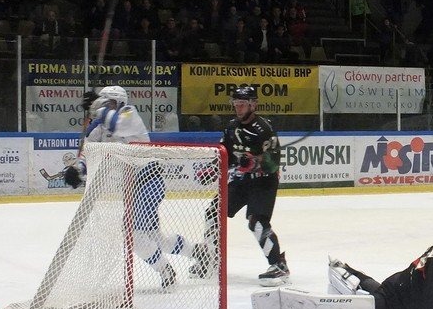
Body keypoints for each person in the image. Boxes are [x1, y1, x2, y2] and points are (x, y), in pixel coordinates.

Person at [63, 85, 198, 288]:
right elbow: (89, 152)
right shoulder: (100, 125)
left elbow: (116, 124)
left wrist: (98, 107)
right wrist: (77, 169)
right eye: (104, 102)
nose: (106, 106)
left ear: (120, 103)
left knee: (133, 235)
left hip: (149, 181)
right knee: (154, 238)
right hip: (132, 187)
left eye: (109, 103)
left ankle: (165, 270)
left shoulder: (129, 115)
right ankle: (197, 251)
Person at [204, 85, 287, 285]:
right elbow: (223, 153)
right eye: (236, 103)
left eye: (242, 104)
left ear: (253, 105)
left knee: (256, 222)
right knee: (213, 213)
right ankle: (209, 260)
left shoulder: (264, 129)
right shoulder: (231, 127)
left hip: (263, 181)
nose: (238, 107)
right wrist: (211, 168)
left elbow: (273, 162)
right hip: (242, 181)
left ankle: (279, 265)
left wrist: (255, 162)